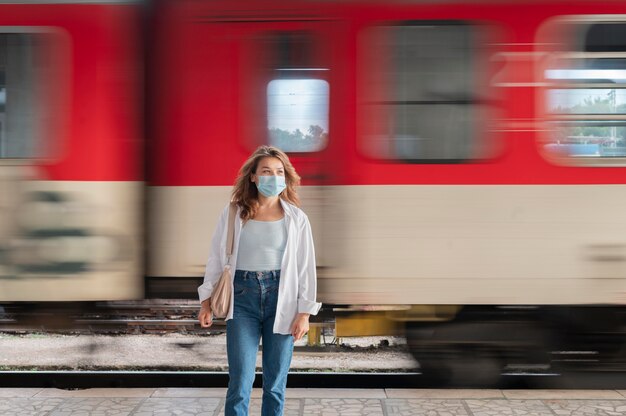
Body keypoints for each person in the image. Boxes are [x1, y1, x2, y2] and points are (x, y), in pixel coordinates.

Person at [198, 145, 322, 416]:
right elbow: (216, 258)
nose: (273, 177)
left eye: (279, 172)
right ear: (253, 176)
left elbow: (305, 267)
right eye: (266, 171)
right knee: (240, 383)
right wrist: (206, 301)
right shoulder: (234, 213)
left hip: (283, 298)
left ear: (285, 178)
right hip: (242, 298)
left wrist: (304, 313)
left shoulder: (297, 218)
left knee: (275, 385)